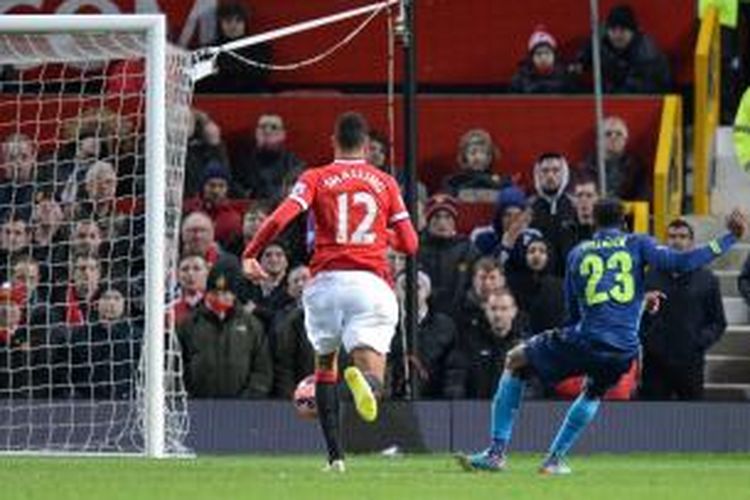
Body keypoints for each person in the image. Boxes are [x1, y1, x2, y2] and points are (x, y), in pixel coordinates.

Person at [456, 198, 747, 474]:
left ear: (593, 222)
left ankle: (496, 453)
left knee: (515, 360)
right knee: (594, 390)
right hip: (624, 349)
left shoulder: (578, 253)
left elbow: (573, 312)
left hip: (588, 337)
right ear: (624, 221)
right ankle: (554, 460)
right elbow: (682, 263)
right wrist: (729, 238)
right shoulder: (638, 243)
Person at [242, 111, 418, 472]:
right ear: (367, 146)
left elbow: (279, 217)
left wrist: (250, 252)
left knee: (324, 365)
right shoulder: (385, 182)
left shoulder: (315, 176)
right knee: (376, 378)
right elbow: (411, 244)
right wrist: (381, 236)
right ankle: (365, 382)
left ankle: (335, 457)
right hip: (370, 284)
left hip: (324, 285)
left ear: (332, 141)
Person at [639, 219, 727, 400]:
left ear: (692, 243)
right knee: (650, 419)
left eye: (682, 236)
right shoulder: (649, 276)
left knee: (692, 419)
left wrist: (698, 342)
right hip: (655, 363)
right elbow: (636, 315)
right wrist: (648, 340)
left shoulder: (707, 279)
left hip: (690, 363)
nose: (677, 241)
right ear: (665, 242)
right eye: (672, 237)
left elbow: (718, 322)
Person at [574, 4, 671, 93]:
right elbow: (587, 50)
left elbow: (636, 89)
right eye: (613, 30)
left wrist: (610, 95)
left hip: (648, 97)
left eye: (622, 30)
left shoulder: (647, 55)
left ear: (633, 32)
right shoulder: (600, 39)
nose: (617, 35)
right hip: (613, 92)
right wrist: (580, 63)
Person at [509, 26, 577, 94]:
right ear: (531, 58)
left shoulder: (565, 75)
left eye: (547, 53)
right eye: (539, 54)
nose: (543, 58)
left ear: (554, 56)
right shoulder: (520, 78)